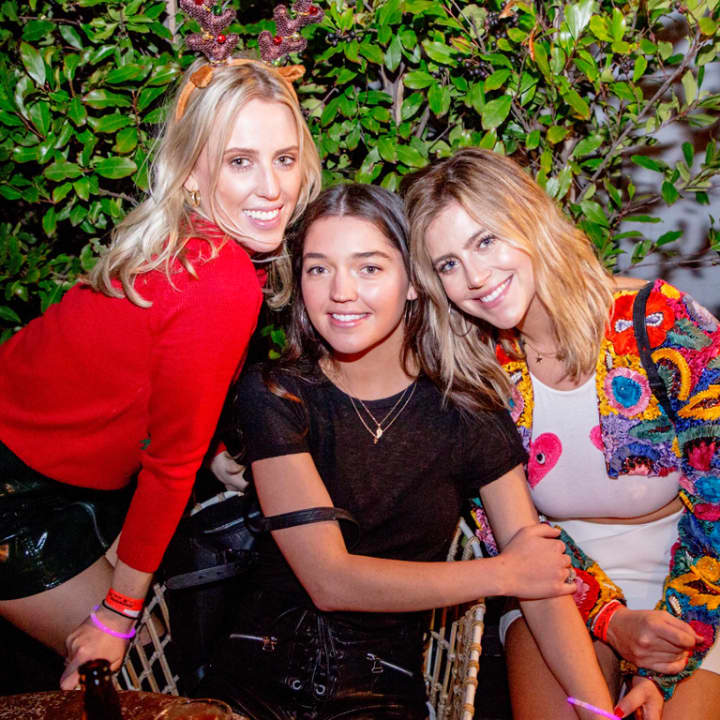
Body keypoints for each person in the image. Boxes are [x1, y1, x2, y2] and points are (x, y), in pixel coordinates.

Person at [198, 183, 620, 720]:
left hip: (379, 689)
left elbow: (540, 579)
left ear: (414, 282)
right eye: (318, 269)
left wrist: (598, 711)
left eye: (369, 268)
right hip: (250, 681)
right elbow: (328, 580)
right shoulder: (277, 394)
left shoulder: (467, 410)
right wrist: (502, 573)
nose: (341, 292)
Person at [0, 57, 321, 689]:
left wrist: (212, 453)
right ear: (193, 173)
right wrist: (118, 614)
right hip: (15, 488)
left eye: (284, 159)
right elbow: (171, 462)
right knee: (137, 674)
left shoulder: (191, 241)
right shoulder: (220, 278)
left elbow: (154, 383)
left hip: (60, 474)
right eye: (240, 161)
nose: (272, 188)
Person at [402, 147, 720, 719]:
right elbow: (506, 530)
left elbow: (717, 504)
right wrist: (611, 620)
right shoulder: (474, 371)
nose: (475, 277)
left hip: (699, 575)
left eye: (485, 240)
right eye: (447, 263)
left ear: (529, 220)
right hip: (557, 582)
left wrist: (661, 663)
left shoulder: (659, 322)